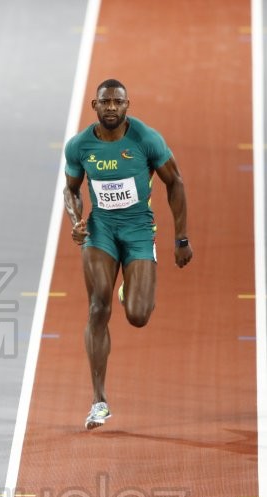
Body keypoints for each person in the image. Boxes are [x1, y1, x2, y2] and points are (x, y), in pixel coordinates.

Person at [63, 79, 192, 430]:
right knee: (97, 306)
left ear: (127, 105)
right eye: (105, 102)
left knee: (138, 315)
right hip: (100, 231)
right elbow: (71, 190)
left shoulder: (146, 139)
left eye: (117, 102)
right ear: (94, 105)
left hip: (137, 231)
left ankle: (130, 287)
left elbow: (175, 181)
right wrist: (76, 220)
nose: (111, 108)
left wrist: (181, 237)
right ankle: (99, 400)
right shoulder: (79, 146)